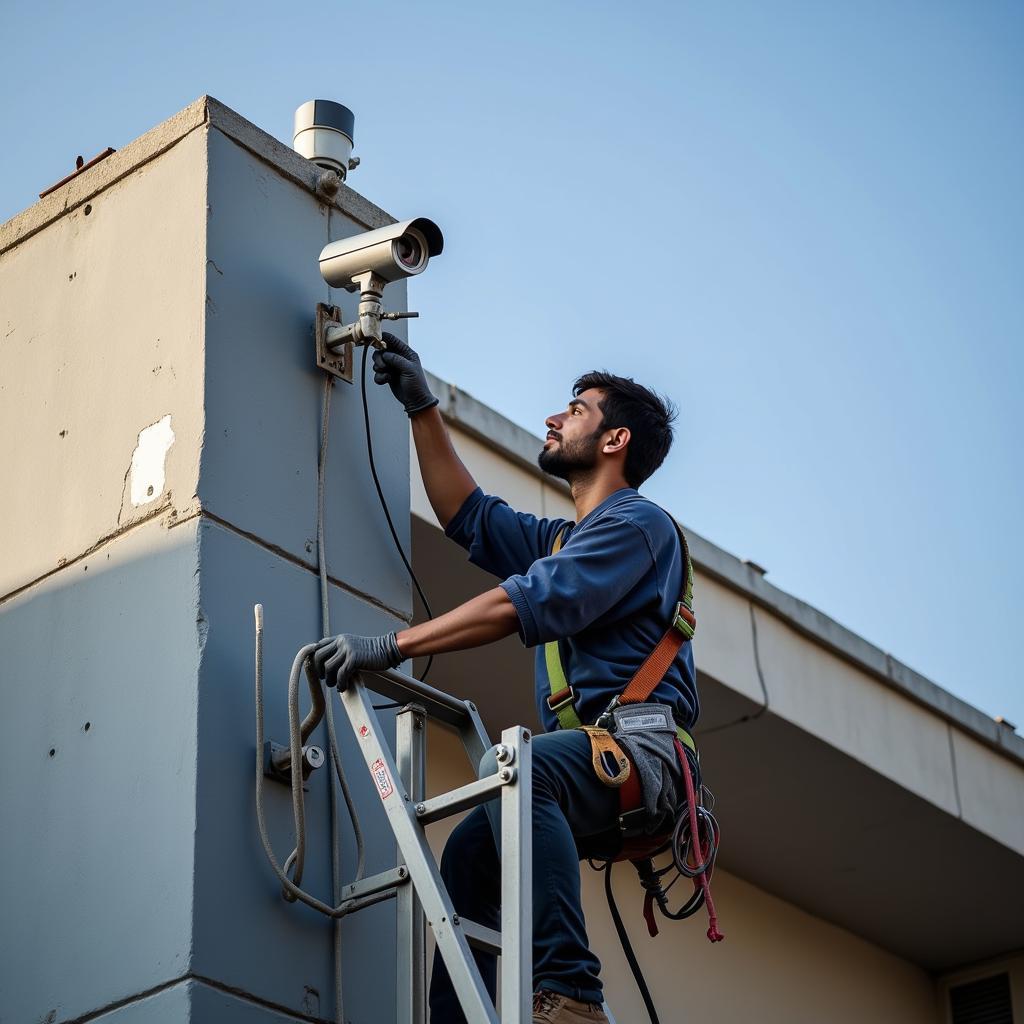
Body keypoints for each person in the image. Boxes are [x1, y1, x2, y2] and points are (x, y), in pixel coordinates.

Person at [315, 336, 699, 1024]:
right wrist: (422, 409)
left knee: (518, 771)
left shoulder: (637, 526)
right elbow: (470, 517)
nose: (553, 419)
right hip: (595, 760)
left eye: (574, 411)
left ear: (615, 440)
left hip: (642, 755)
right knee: (470, 854)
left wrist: (392, 646)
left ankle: (572, 993)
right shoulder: (567, 539)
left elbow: (522, 602)